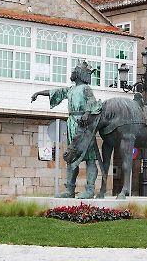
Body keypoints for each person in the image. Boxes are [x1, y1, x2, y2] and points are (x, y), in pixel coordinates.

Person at [31, 61, 102, 198]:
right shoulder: (70, 89)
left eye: (74, 70)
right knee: (71, 156)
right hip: (72, 124)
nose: (72, 73)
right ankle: (70, 190)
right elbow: (55, 92)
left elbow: (92, 102)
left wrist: (87, 113)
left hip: (84, 127)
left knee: (90, 158)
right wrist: (39, 93)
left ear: (79, 74)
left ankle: (90, 189)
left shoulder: (86, 89)